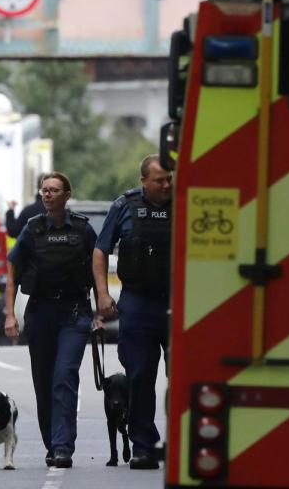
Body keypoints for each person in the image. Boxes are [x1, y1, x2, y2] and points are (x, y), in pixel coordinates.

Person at [3, 172, 96, 469]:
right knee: (43, 382)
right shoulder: (32, 230)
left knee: (64, 376)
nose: (48, 195)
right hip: (41, 312)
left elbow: (98, 264)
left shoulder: (82, 229)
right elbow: (12, 274)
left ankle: (62, 446)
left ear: (67, 195)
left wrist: (102, 302)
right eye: (44, 190)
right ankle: (52, 443)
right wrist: (9, 315)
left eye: (54, 190)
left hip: (74, 313)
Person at [93, 154, 173, 470]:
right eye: (159, 180)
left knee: (182, 376)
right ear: (143, 182)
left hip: (180, 303)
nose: (167, 185)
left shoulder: (188, 201)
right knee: (140, 376)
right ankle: (143, 445)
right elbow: (100, 250)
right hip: (139, 304)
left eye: (169, 178)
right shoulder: (124, 206)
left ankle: (182, 441)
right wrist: (102, 294)